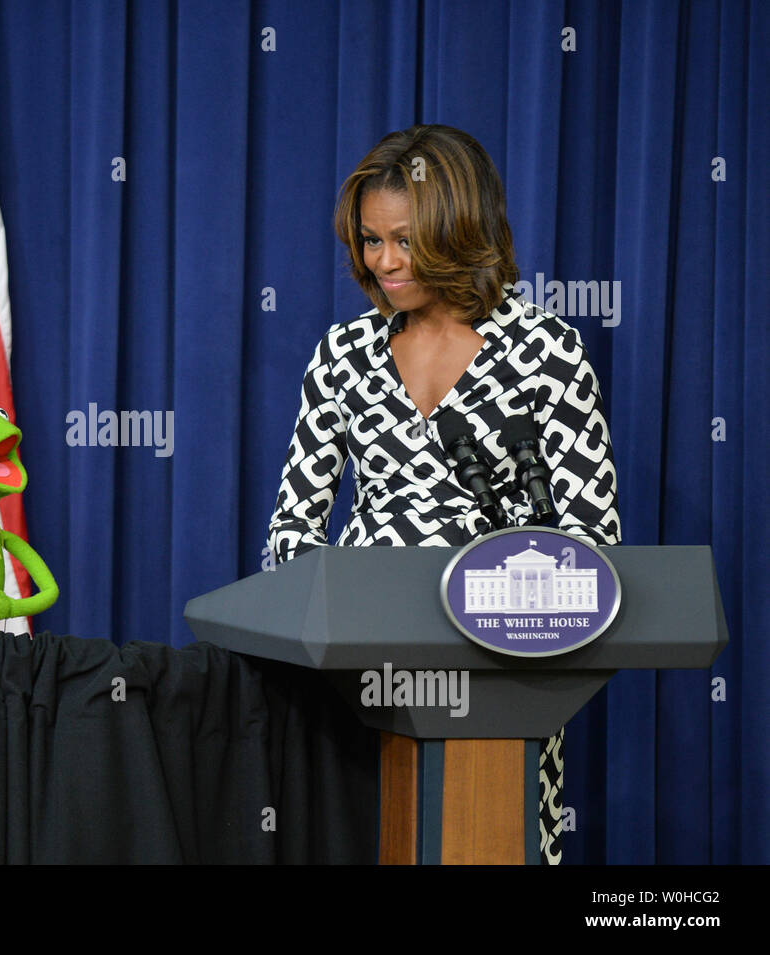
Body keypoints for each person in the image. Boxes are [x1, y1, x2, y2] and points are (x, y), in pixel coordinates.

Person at [266, 125, 620, 864]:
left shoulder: (545, 350)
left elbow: (593, 541)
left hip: (505, 675)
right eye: (370, 240)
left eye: (406, 239)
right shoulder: (344, 353)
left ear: (459, 228)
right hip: (359, 678)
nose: (385, 262)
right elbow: (294, 532)